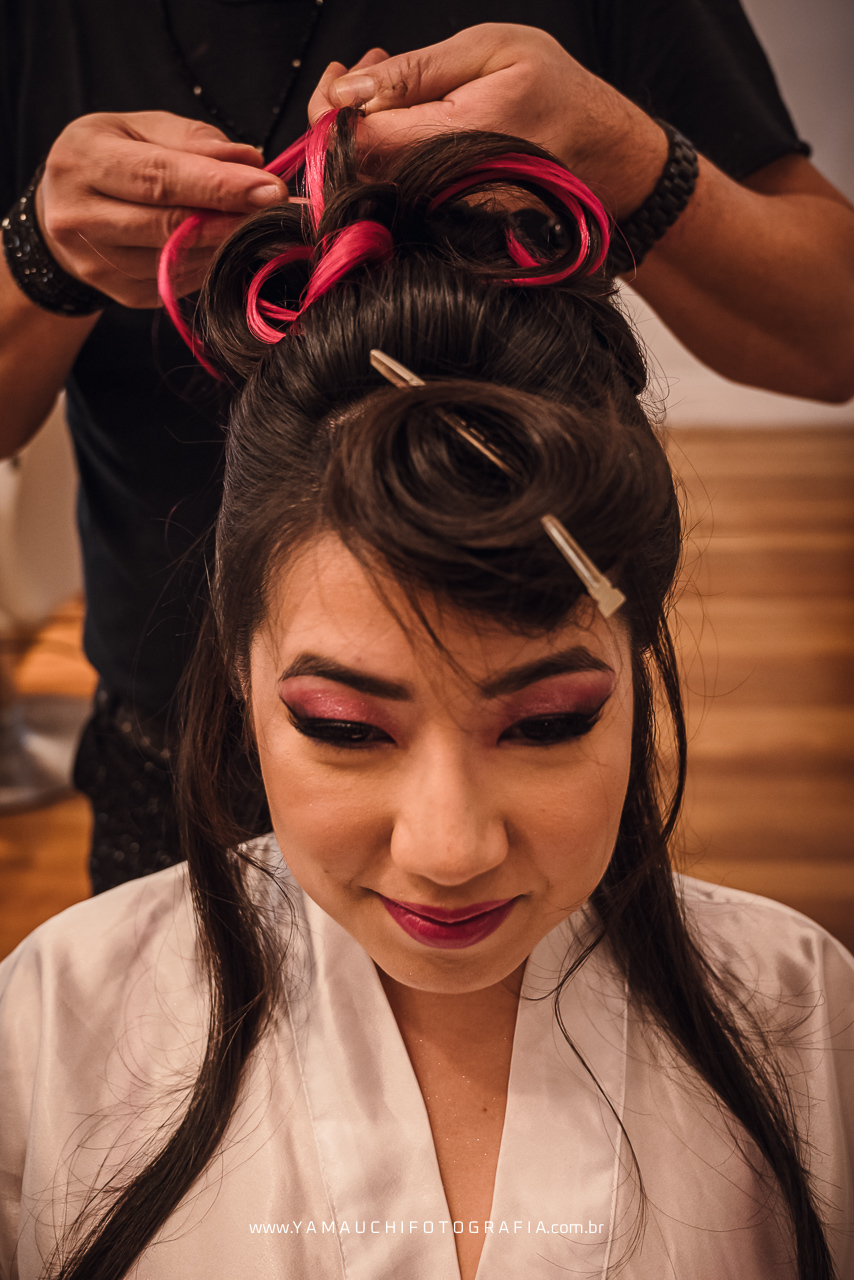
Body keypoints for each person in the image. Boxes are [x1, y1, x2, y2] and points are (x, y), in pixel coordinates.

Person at [0, 114, 851, 1280]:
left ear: (638, 656)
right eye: (345, 729)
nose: (448, 849)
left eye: (547, 722)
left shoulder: (806, 1021)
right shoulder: (53, 1026)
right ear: (240, 670)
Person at [3, 4, 854, 893]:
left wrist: (622, 153)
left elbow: (832, 334)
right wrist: (37, 256)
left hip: (534, 769)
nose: (445, 853)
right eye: (340, 727)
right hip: (166, 753)